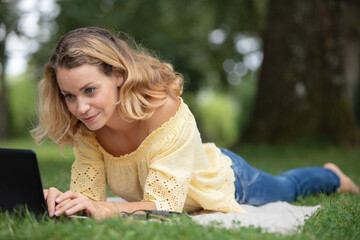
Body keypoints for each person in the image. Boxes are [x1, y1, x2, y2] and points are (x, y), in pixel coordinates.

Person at [31, 26, 359, 220]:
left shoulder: (164, 110)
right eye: (69, 96)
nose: (80, 107)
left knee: (287, 188)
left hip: (226, 181)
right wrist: (67, 201)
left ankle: (333, 175)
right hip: (193, 177)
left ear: (118, 74)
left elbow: (164, 209)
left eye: (89, 90)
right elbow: (89, 197)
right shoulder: (87, 125)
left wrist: (104, 210)